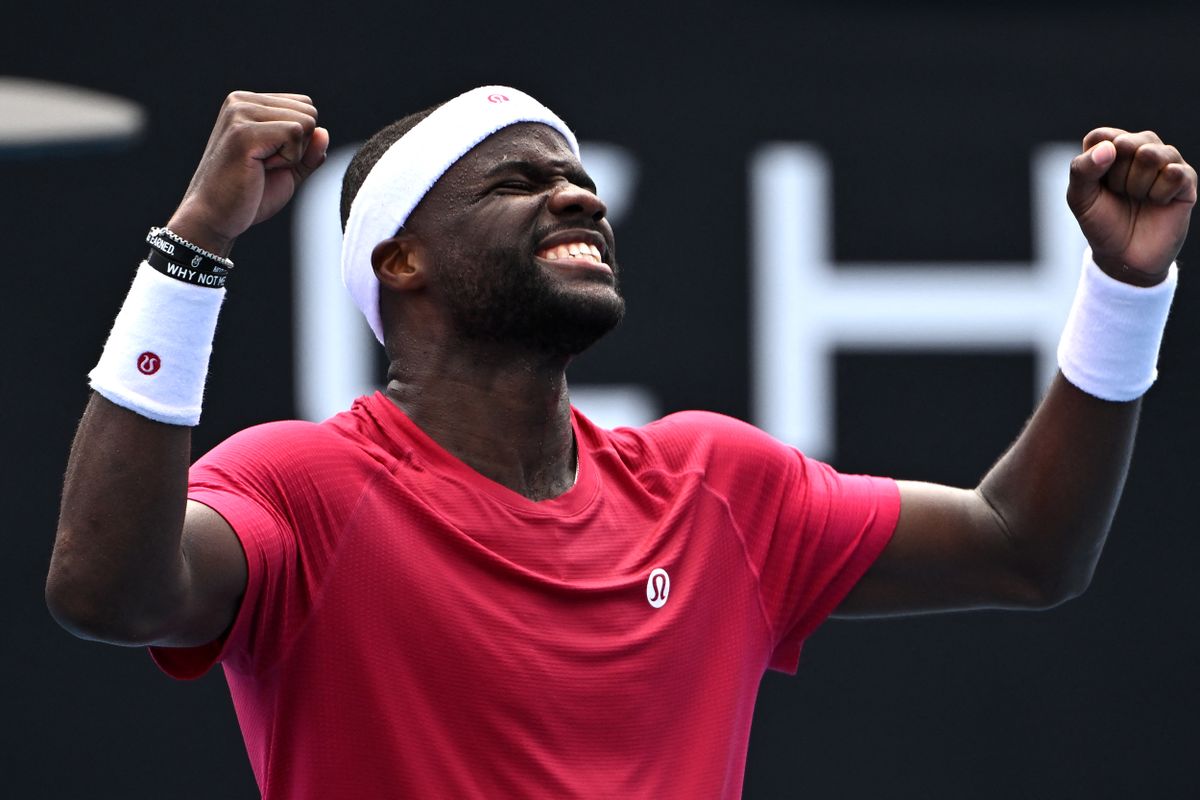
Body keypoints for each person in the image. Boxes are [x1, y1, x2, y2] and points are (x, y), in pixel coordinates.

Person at [47, 86, 1195, 799]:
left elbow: (1025, 546)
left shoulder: (720, 486)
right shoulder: (302, 487)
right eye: (522, 180)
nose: (579, 199)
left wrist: (1125, 290)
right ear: (402, 261)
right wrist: (195, 244)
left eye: (582, 181)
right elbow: (107, 587)